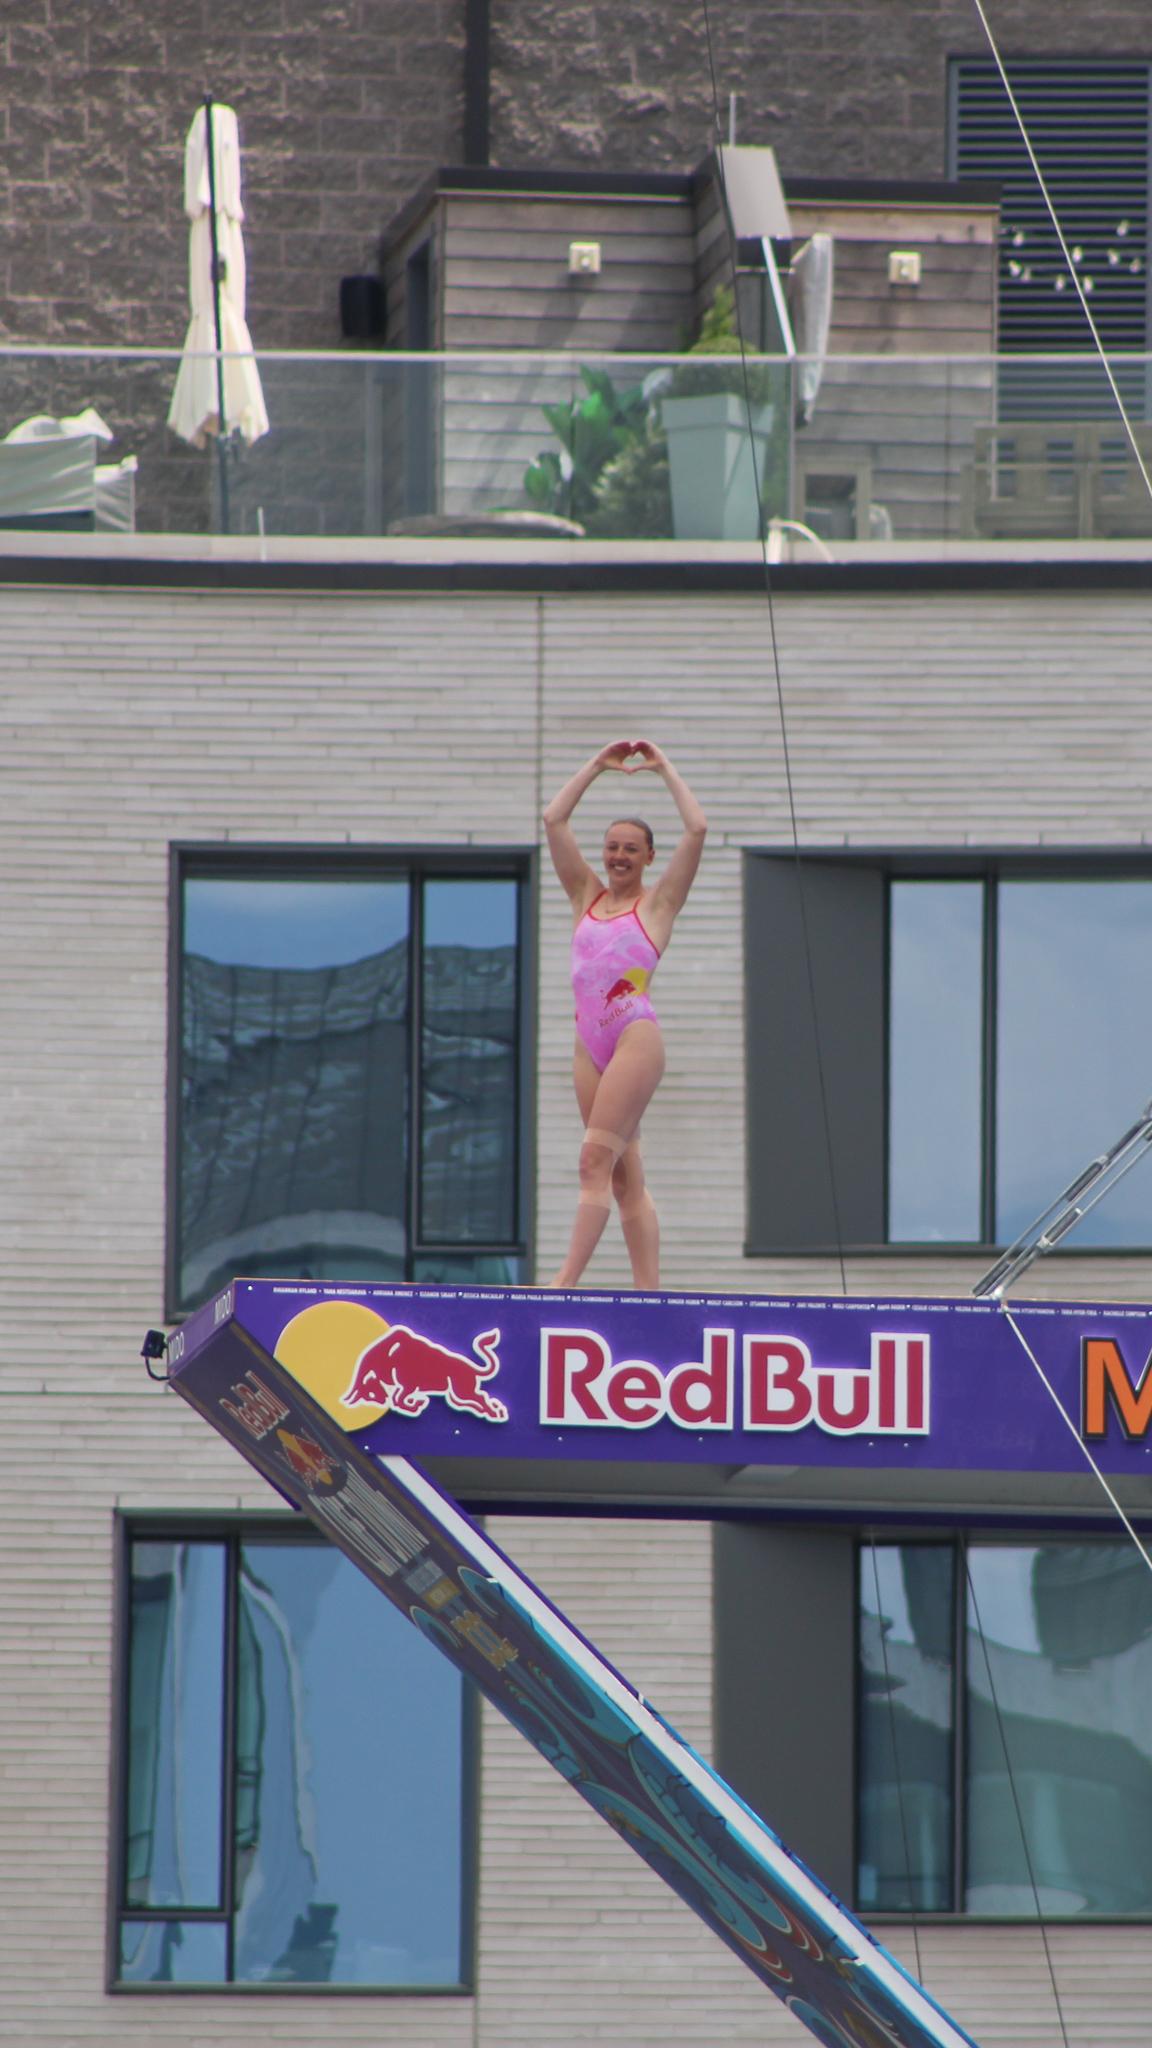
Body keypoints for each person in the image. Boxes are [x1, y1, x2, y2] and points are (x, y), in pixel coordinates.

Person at [543, 739, 707, 1288]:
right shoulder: (584, 894)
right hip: (587, 1043)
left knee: (592, 1162)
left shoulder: (656, 905)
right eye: (612, 847)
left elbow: (697, 830)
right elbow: (554, 818)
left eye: (631, 849)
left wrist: (663, 769)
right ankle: (649, 1293)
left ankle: (561, 1285)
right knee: (620, 1178)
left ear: (648, 858)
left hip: (633, 1034)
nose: (618, 856)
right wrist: (595, 765)